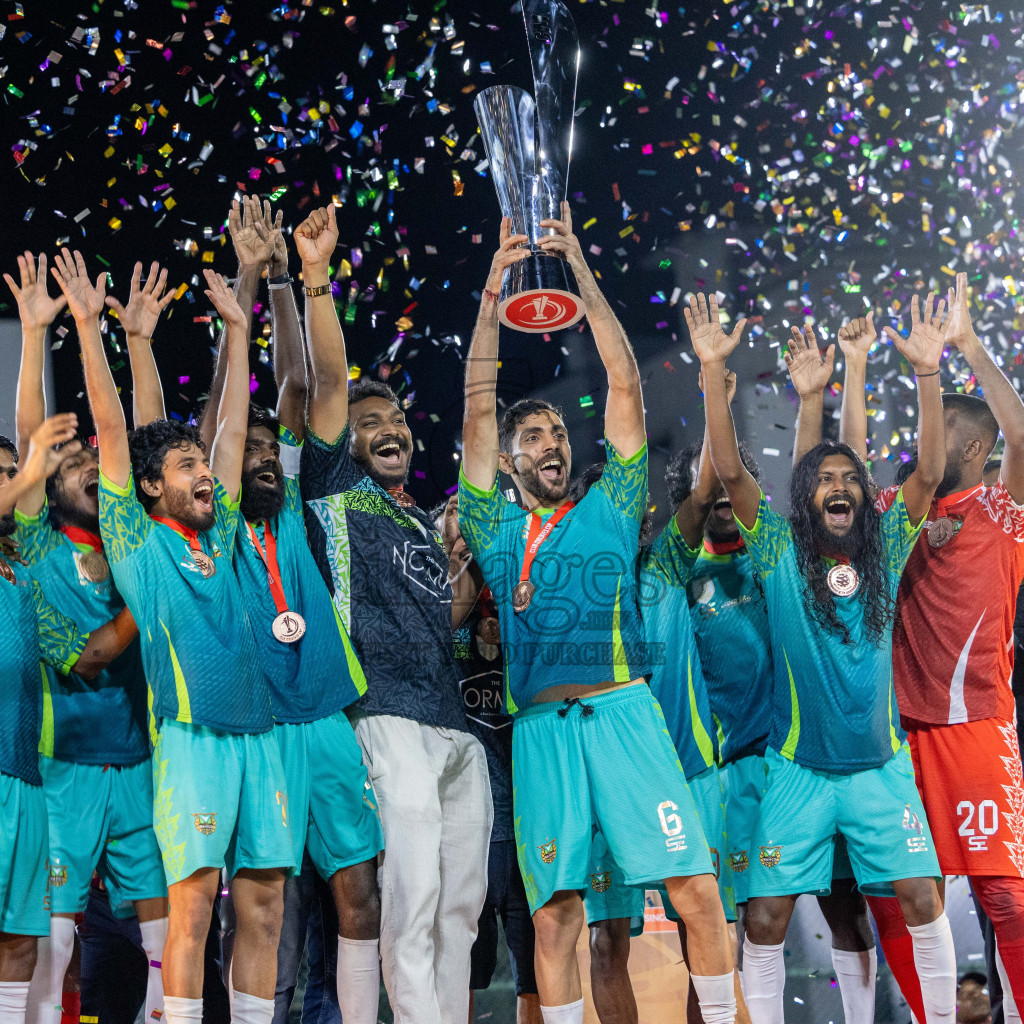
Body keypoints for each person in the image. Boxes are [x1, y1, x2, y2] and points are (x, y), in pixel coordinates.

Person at [459, 210, 738, 1024]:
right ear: (510, 466)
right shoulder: (495, 526)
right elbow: (478, 412)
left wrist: (578, 269)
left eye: (555, 431)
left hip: (623, 715)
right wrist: (488, 299)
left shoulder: (612, 505)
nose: (550, 439)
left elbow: (624, 385)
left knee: (692, 887)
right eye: (532, 435)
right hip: (542, 733)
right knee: (555, 915)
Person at [688, 288, 957, 1024]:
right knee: (766, 918)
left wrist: (926, 374)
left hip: (879, 769)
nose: (838, 484)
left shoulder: (885, 547)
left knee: (919, 896)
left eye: (851, 479)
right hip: (797, 773)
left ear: (865, 497)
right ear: (804, 500)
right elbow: (736, 477)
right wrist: (713, 372)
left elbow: (928, 476)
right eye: (824, 479)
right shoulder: (774, 550)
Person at [61, 246, 294, 1024]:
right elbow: (111, 424)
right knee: (191, 916)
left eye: (204, 463)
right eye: (185, 464)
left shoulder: (219, 530)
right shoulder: (133, 537)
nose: (205, 471)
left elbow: (229, 432)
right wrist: (98, 333)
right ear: (151, 487)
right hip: (190, 743)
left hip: (260, 738)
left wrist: (239, 322)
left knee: (262, 911)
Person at [296, 203, 492, 1024]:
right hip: (382, 714)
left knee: (460, 908)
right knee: (408, 902)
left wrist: (462, 589)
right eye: (371, 424)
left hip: (453, 722)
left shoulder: (420, 520)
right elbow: (334, 385)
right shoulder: (334, 493)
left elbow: (441, 623)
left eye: (399, 421)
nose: (390, 430)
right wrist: (315, 280)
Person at [211, 198, 385, 1024]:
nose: (263, 459)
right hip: (255, 728)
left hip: (324, 719)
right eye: (243, 453)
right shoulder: (204, 532)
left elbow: (305, 385)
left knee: (359, 894)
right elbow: (229, 412)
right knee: (264, 908)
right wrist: (243, 283)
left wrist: (287, 276)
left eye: (266, 449)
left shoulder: (293, 505)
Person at [840, 273, 1024, 1013]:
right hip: (898, 738)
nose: (919, 441)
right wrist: (852, 370)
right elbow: (844, 471)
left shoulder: (1004, 511)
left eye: (935, 430)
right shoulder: (894, 510)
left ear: (974, 446)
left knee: (1006, 896)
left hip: (979, 727)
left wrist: (969, 344)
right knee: (895, 895)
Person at [7, 251, 171, 1024]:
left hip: (140, 761)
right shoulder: (38, 547)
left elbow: (141, 441)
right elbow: (35, 439)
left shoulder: (132, 535)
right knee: (55, 935)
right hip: (62, 765)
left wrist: (133, 344)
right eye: (70, 462)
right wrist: (39, 333)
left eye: (88, 459)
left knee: (164, 927)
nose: (82, 463)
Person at [573, 374, 744, 1024]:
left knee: (707, 922)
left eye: (622, 504)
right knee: (608, 938)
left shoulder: (669, 563)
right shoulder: (571, 595)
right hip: (602, 781)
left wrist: (714, 397)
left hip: (688, 773)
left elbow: (703, 493)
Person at [0, 415, 141, 1024]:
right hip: (37, 774)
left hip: (24, 775)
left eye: (12, 472)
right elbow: (93, 654)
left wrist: (141, 582)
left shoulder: (22, 580)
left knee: (20, 943)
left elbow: (89, 652)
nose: (13, 482)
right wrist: (34, 466)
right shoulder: (38, 553)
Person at [432, 494, 542, 1024]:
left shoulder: (523, 612)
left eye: (474, 542)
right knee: (461, 973)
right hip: (464, 833)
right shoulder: (437, 623)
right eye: (455, 543)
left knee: (535, 973)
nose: (466, 552)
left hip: (526, 825)